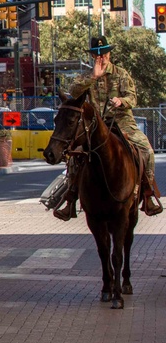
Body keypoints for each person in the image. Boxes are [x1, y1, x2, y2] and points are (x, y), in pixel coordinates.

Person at [53, 35, 162, 220]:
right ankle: (70, 198)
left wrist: (122, 101)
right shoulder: (88, 76)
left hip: (121, 122)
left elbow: (132, 98)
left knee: (147, 150)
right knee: (74, 155)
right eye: (96, 54)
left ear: (109, 54)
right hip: (95, 125)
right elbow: (73, 92)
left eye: (103, 54)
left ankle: (147, 192)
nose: (100, 57)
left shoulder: (121, 74)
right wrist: (93, 77)